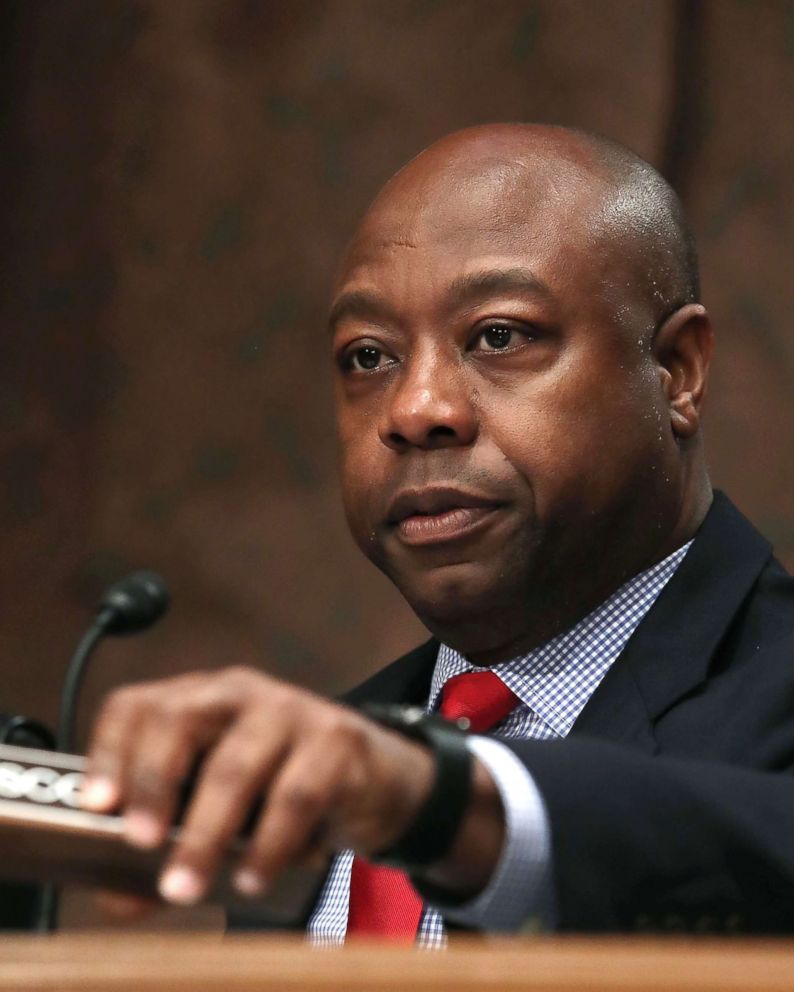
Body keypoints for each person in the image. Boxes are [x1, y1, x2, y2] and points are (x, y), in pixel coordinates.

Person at [81, 124, 794, 942]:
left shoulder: (386, 778)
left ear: (677, 373)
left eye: (500, 335)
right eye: (369, 356)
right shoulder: (329, 764)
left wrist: (446, 802)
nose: (415, 411)